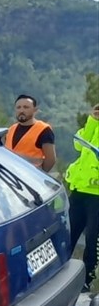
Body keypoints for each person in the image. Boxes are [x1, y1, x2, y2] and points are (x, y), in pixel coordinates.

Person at [66, 104, 99, 291]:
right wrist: (93, 120)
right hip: (79, 189)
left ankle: (87, 279)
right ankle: (59, 272)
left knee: (93, 239)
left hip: (97, 195)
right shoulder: (93, 125)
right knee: (69, 232)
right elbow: (78, 143)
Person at [3, 94, 56, 173]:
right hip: (9, 176)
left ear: (35, 110)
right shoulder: (10, 130)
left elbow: (51, 159)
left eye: (26, 107)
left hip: (30, 179)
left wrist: (39, 175)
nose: (21, 110)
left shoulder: (43, 129)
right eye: (18, 107)